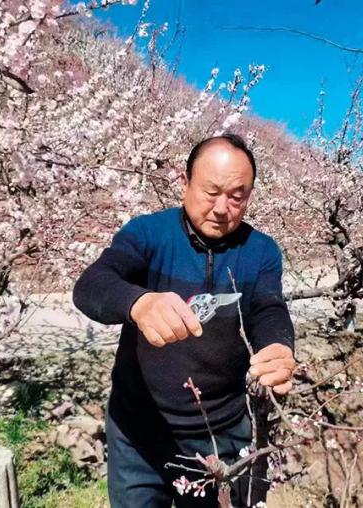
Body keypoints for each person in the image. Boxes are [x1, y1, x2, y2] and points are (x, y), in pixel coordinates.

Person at [73, 133, 295, 507]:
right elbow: (92, 285)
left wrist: (278, 345)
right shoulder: (148, 234)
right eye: (211, 191)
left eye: (237, 196)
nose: (222, 208)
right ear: (185, 183)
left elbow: (268, 308)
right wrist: (139, 303)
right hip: (138, 431)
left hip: (222, 433)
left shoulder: (260, 251)